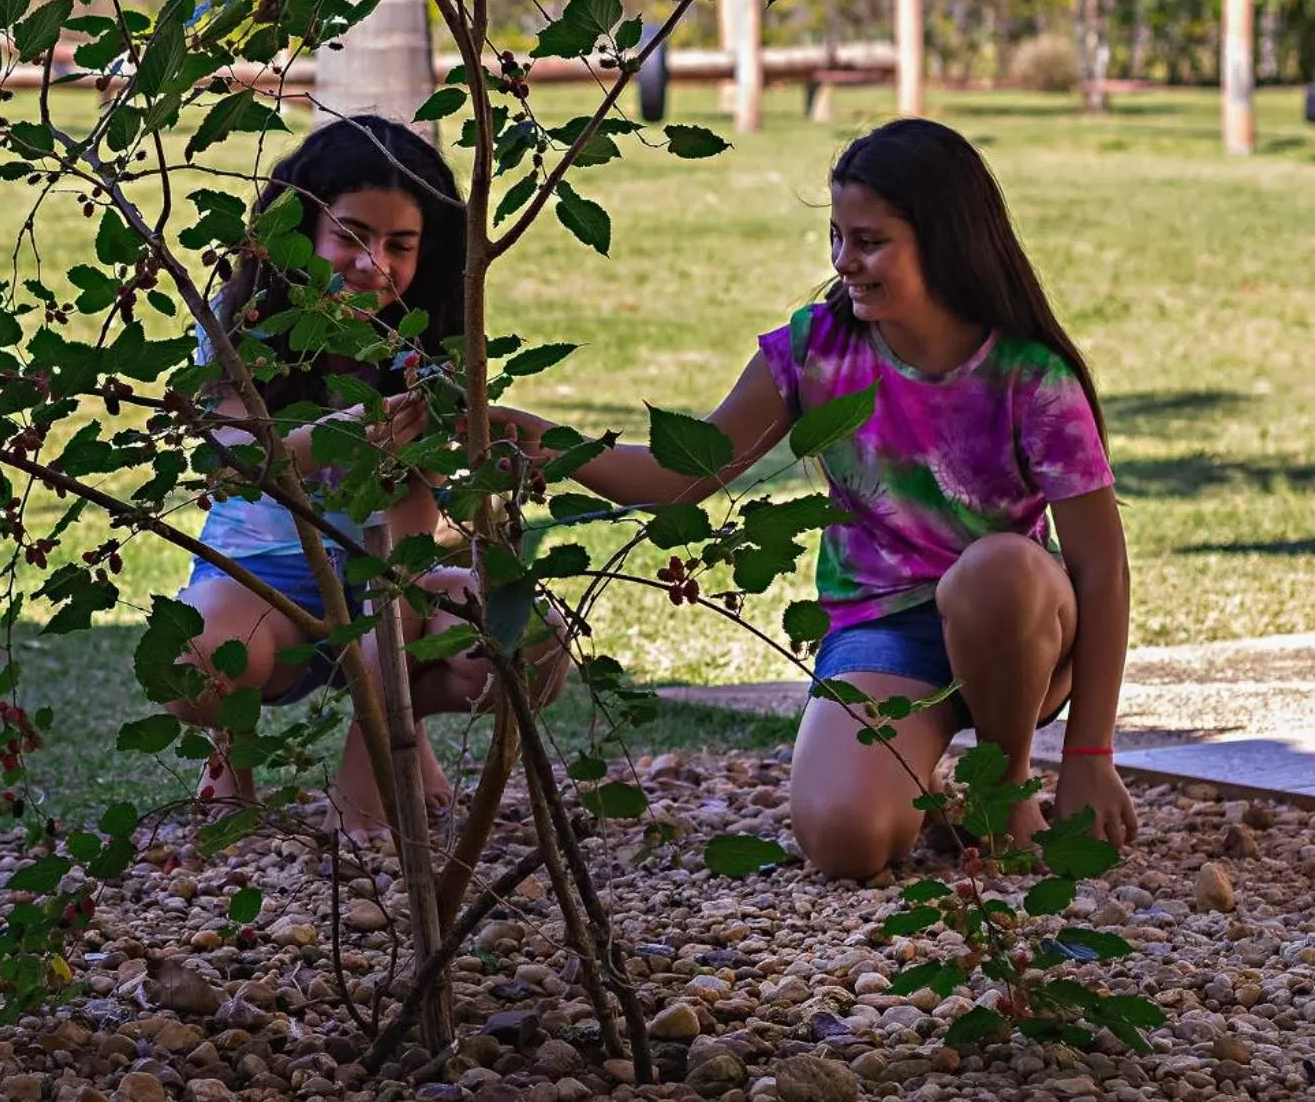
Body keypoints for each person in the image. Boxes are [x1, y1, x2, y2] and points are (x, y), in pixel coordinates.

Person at [491, 118, 1136, 879]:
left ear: (944, 239)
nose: (842, 260)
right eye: (835, 236)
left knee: (997, 570)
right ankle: (927, 790)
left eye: (868, 241)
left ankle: (1005, 785)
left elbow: (1101, 567)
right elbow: (684, 474)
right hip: (883, 632)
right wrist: (547, 444)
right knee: (845, 841)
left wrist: (1091, 754)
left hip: (1018, 629)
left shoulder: (1030, 376)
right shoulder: (816, 350)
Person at [169, 115, 568, 836]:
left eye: (400, 245)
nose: (373, 264)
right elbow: (236, 457)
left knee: (530, 637)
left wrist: (374, 756)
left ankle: (391, 738)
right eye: (350, 236)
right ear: (298, 233)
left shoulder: (425, 346)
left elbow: (408, 553)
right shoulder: (242, 326)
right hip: (259, 580)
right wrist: (336, 439)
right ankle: (232, 750)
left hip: (383, 579)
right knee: (192, 656)